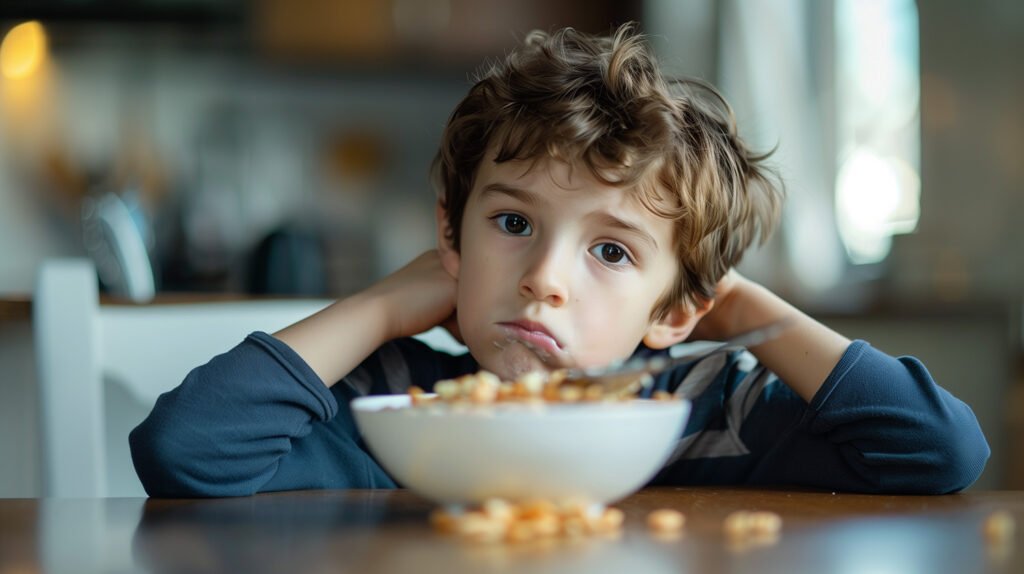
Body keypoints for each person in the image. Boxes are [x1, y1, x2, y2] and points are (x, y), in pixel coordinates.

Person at [130, 23, 988, 497]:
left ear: (675, 309)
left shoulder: (710, 419)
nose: (545, 277)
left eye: (611, 251)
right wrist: (388, 304)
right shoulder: (395, 410)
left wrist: (742, 315)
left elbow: (941, 450)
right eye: (511, 224)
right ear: (453, 236)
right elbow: (186, 450)